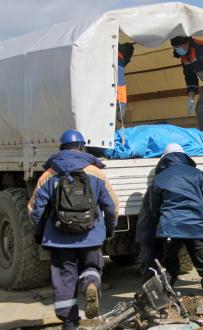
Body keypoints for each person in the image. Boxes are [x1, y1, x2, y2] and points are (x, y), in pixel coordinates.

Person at [27, 129, 119, 330]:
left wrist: (39, 231)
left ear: (62, 148)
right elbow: (111, 206)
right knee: (92, 267)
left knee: (64, 280)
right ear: (82, 147)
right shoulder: (96, 172)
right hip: (91, 235)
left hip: (58, 238)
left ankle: (70, 323)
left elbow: (35, 210)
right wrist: (109, 229)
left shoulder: (49, 173)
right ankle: (90, 285)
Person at [149, 143, 203, 313]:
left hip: (171, 228)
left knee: (170, 265)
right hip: (196, 226)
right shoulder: (198, 174)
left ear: (165, 158)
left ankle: (161, 304)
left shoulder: (159, 178)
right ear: (184, 156)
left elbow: (154, 207)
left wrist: (165, 221)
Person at [116, 42, 134, 122]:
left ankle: (121, 106)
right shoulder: (119, 58)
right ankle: (121, 106)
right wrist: (122, 104)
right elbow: (120, 84)